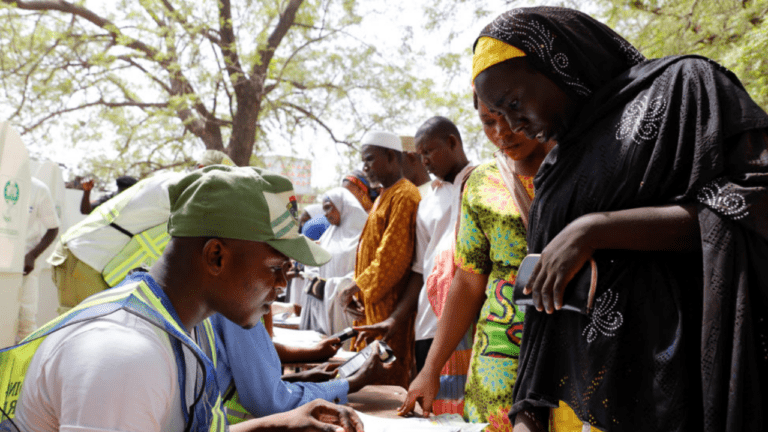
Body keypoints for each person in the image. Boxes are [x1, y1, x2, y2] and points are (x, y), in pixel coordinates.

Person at [471, 7, 768, 432]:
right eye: (498, 114)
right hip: (575, 407)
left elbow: (753, 202)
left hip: (677, 390)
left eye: (514, 103)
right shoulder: (557, 168)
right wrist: (529, 412)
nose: (513, 124)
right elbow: (542, 304)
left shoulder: (684, 89)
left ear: (557, 61)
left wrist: (595, 229)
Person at [3, 166, 363, 432]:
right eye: (275, 267)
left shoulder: (177, 326)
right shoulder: (125, 356)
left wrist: (276, 424)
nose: (284, 284)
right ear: (216, 256)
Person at [399, 97, 552, 430]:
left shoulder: (582, 167)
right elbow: (468, 280)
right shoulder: (482, 183)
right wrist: (430, 370)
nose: (502, 132)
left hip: (570, 343)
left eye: (513, 117)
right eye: (488, 122)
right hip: (498, 353)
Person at [355, 116, 474, 414]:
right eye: (420, 155)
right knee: (432, 412)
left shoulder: (481, 183)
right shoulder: (427, 199)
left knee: (464, 411)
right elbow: (419, 271)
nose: (424, 161)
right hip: (427, 324)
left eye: (429, 152)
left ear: (452, 142)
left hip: (466, 319)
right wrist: (394, 319)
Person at [49, 151, 233, 314]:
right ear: (200, 168)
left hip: (95, 263)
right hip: (84, 257)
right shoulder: (175, 184)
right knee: (80, 336)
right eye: (216, 180)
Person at [338, 130, 421, 389]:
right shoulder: (383, 196)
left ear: (390, 156)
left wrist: (356, 287)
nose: (365, 167)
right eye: (363, 161)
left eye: (370, 159)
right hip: (370, 309)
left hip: (389, 311)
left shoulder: (404, 195)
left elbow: (392, 258)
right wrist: (358, 293)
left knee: (386, 386)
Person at [212, 312, 388, 424]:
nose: (281, 282)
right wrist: (352, 382)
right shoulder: (239, 308)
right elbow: (274, 403)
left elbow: (247, 378)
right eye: (275, 268)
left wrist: (298, 378)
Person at [299, 187, 368, 336]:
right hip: (326, 305)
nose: (325, 214)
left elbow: (366, 269)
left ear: (343, 205)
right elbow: (315, 263)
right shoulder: (328, 235)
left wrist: (343, 287)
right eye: (323, 209)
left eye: (329, 208)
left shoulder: (363, 234)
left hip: (351, 304)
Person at [16, 178, 60, 342]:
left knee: (26, 321)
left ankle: (25, 366)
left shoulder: (38, 188)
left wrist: (32, 255)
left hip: (25, 266)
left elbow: (53, 228)